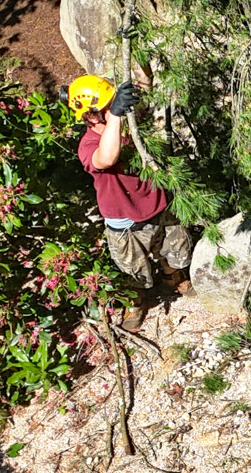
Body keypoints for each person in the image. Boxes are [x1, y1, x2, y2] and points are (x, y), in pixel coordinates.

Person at [65, 75, 193, 332]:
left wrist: (134, 49)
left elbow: (146, 85)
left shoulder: (129, 122)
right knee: (133, 270)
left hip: (158, 205)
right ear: (91, 117)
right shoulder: (88, 145)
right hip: (125, 222)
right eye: (107, 107)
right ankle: (135, 301)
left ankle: (172, 277)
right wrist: (115, 114)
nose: (116, 109)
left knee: (175, 249)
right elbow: (107, 158)